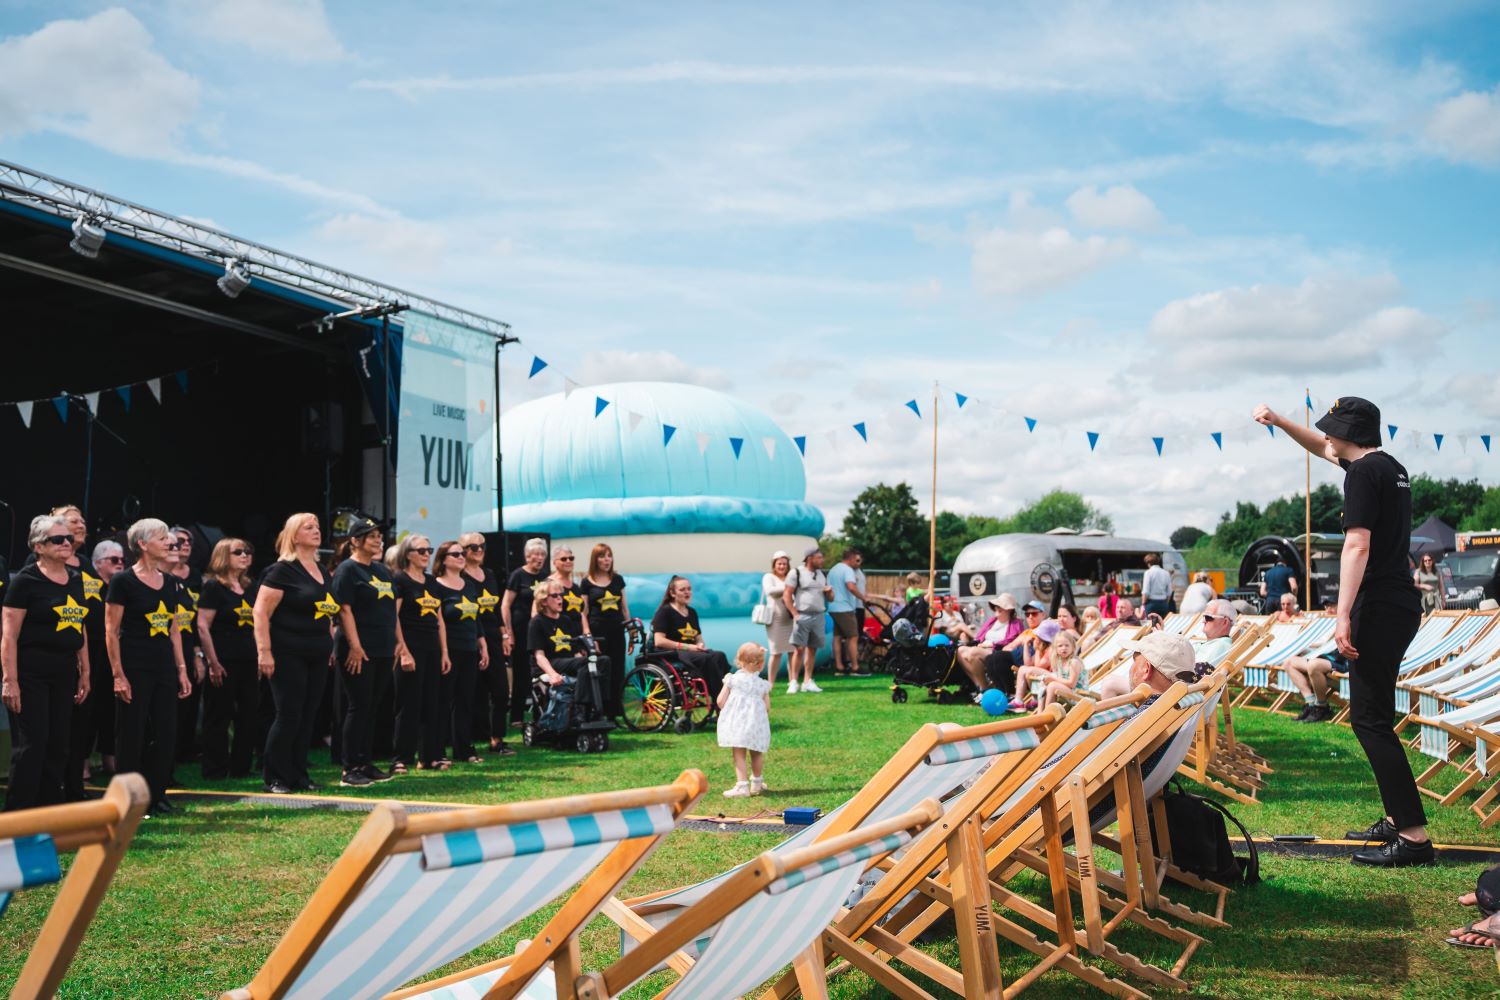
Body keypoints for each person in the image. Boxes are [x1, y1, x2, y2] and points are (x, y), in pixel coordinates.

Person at [1257, 397, 1431, 867]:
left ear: (1352, 434)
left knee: (1369, 719)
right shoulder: (1386, 467)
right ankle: (1399, 819)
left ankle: (1413, 839)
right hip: (1397, 602)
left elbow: (1356, 544)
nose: (1327, 435)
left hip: (1378, 604)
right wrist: (1279, 421)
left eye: (1334, 429)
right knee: (1375, 717)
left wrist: (1342, 615)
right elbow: (1321, 448)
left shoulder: (1361, 474)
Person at [3, 515, 91, 810]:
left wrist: (85, 671)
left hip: (64, 671)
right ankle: (16, 821)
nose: (67, 543)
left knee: (57, 746)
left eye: (69, 538)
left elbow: (80, 627)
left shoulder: (76, 579)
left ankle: (49, 818)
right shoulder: (25, 582)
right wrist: (10, 680)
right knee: (32, 747)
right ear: (38, 546)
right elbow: (8, 636)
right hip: (30, 673)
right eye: (58, 539)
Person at [107, 518, 191, 813]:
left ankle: (156, 796)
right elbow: (111, 631)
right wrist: (118, 675)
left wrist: (181, 669)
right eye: (162, 537)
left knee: (166, 732)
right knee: (132, 734)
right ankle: (128, 801)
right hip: (134, 665)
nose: (170, 542)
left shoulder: (170, 583)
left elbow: (174, 629)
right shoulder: (122, 581)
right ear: (142, 544)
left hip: (163, 666)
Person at [254, 513, 338, 795]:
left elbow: (326, 611)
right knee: (288, 714)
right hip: (287, 651)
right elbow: (261, 613)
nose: (316, 531)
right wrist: (264, 652)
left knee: (308, 715)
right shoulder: (281, 570)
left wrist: (328, 642)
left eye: (317, 526)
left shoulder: (322, 570)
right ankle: (275, 776)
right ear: (294, 534)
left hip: (317, 651)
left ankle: (299, 774)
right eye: (308, 527)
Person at [329, 519, 397, 786]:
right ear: (354, 541)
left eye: (379, 536)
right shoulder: (347, 570)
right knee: (358, 706)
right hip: (358, 648)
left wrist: (397, 642)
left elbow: (392, 611)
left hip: (382, 648)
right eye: (371, 536)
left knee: (372, 707)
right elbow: (344, 610)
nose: (378, 540)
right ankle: (350, 768)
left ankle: (365, 762)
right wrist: (355, 646)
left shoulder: (381, 571)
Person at [197, 538, 260, 779]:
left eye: (248, 551)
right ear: (224, 556)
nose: (245, 556)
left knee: (248, 714)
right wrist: (212, 661)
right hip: (223, 659)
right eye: (238, 552)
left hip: (248, 659)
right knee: (218, 715)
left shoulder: (250, 586)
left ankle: (241, 767)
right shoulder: (214, 587)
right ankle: (214, 768)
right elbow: (203, 626)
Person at [65, 538, 123, 797]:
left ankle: (110, 757)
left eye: (123, 560)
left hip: (115, 652)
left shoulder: (120, 585)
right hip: (91, 649)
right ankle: (83, 762)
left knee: (110, 707)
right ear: (98, 563)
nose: (120, 564)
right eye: (114, 560)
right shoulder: (86, 577)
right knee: (87, 707)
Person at [390, 534, 449, 773]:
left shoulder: (432, 582)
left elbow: (440, 619)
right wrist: (403, 650)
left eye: (429, 549)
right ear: (408, 554)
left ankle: (429, 756)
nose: (427, 554)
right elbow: (393, 617)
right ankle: (400, 757)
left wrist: (444, 652)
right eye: (422, 550)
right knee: (408, 703)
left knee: (431, 703)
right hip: (410, 645)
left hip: (432, 646)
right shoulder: (399, 580)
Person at [431, 540, 487, 765]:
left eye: (462, 554)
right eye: (456, 554)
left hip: (469, 647)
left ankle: (464, 748)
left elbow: (476, 617)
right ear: (443, 559)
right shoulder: (436, 585)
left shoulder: (469, 585)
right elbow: (438, 619)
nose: (462, 557)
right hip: (448, 648)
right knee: (444, 700)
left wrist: (482, 644)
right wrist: (443, 651)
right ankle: (439, 749)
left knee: (465, 700)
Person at [459, 533, 512, 755]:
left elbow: (497, 607)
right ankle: (468, 738)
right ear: (463, 550)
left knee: (500, 690)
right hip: (469, 637)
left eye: (482, 546)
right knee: (471, 692)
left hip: (492, 636)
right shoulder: (459, 578)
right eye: (473, 547)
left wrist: (504, 635)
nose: (479, 550)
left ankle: (496, 738)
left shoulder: (489, 575)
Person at [527, 579, 610, 713]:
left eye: (561, 595)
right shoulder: (537, 623)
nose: (560, 598)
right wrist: (552, 674)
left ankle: (601, 707)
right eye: (555, 596)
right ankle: (579, 709)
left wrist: (582, 658)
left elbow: (575, 652)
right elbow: (539, 656)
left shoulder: (565, 620)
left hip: (567, 662)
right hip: (549, 663)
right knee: (586, 663)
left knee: (603, 661)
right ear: (543, 601)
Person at [651, 576, 730, 699]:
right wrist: (688, 647)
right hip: (672, 652)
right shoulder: (664, 612)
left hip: (691, 651)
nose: (687, 592)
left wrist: (700, 645)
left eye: (689, 589)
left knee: (719, 656)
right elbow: (659, 641)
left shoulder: (692, 612)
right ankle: (719, 701)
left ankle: (727, 696)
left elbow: (698, 638)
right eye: (682, 590)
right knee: (708, 659)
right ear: (672, 593)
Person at [501, 537, 548, 729]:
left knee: (539, 673)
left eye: (542, 554)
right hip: (520, 629)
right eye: (536, 554)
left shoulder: (545, 576)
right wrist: (508, 631)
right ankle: (517, 716)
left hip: (539, 629)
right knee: (521, 673)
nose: (539, 558)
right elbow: (505, 604)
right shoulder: (518, 575)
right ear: (527, 556)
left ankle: (541, 715)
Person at [169, 526, 205, 766]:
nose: (185, 545)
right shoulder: (163, 579)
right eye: (179, 541)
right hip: (164, 644)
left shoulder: (195, 576)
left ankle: (185, 749)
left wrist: (198, 653)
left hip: (189, 641)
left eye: (188, 541)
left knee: (190, 700)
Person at [717, 643, 772, 798]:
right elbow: (767, 707)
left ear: (739, 661)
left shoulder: (732, 680)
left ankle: (742, 786)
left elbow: (720, 701)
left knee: (739, 753)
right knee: (756, 753)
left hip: (738, 725)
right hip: (756, 725)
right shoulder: (762, 684)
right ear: (760, 664)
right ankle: (757, 783)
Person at [827, 547, 890, 678]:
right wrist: (863, 598)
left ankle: (839, 667)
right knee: (853, 636)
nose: (858, 563)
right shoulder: (848, 570)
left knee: (837, 637)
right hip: (845, 607)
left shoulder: (833, 569)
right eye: (856, 560)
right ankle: (855, 667)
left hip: (833, 607)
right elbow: (851, 587)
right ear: (849, 559)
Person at [583, 542, 630, 718]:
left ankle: (615, 712)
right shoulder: (587, 582)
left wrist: (631, 631)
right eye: (602, 556)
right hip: (597, 632)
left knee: (617, 670)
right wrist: (588, 634)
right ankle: (599, 709)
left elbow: (624, 608)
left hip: (617, 630)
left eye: (609, 555)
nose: (606, 560)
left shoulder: (618, 580)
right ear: (595, 559)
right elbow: (584, 611)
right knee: (601, 670)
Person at [783, 548, 833, 694]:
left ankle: (807, 681)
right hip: (802, 615)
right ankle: (793, 682)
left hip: (819, 615)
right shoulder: (796, 573)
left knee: (812, 649)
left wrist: (829, 592)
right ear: (810, 558)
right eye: (820, 558)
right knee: (798, 649)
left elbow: (831, 598)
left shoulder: (822, 575)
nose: (822, 560)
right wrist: (795, 614)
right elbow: (787, 595)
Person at [955, 594, 1022, 695]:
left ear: (1008, 610)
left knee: (973, 653)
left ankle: (984, 689)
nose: (996, 613)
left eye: (1000, 610)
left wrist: (991, 644)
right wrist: (978, 643)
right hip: (983, 648)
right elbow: (979, 637)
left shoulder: (1016, 623)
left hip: (999, 652)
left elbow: (1013, 641)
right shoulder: (992, 621)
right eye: (996, 609)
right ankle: (980, 685)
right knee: (960, 650)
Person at [760, 552, 794, 686]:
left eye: (784, 564)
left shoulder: (790, 578)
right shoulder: (768, 577)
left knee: (793, 651)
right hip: (775, 619)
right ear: (774, 565)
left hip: (790, 618)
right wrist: (788, 588)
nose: (782, 566)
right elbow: (770, 591)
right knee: (776, 652)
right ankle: (771, 683)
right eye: (779, 563)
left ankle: (793, 681)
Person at [1010, 619, 1059, 711]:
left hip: (1055, 677)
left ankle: (1035, 699)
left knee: (1030, 671)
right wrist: (1026, 645)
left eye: (1037, 636)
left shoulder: (1052, 650)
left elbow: (1038, 666)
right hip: (1045, 677)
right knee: (1024, 668)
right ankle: (1018, 700)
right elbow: (1027, 663)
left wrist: (1037, 650)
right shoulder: (1043, 649)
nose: (1035, 638)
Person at [1038, 629, 1086, 711]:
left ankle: (1047, 713)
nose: (1064, 648)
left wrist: (1053, 679)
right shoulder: (1059, 661)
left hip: (1079, 695)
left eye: (1067, 645)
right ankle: (1040, 713)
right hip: (1068, 692)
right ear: (1055, 649)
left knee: (1052, 685)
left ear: (1073, 647)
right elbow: (1061, 679)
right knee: (1044, 683)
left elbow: (1072, 684)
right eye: (1060, 646)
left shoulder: (1074, 662)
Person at [548, 545, 590, 636]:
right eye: (563, 559)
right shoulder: (548, 584)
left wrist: (587, 633)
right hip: (558, 639)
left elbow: (581, 613)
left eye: (571, 558)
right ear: (554, 562)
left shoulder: (575, 587)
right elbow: (537, 612)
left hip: (576, 639)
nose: (568, 561)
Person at [1141, 553, 1173, 620]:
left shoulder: (1148, 573)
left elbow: (1146, 591)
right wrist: (1166, 602)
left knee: (1151, 626)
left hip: (1151, 603)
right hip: (1163, 603)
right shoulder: (1166, 573)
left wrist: (1143, 603)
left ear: (1148, 563)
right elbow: (1169, 591)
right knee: (1163, 624)